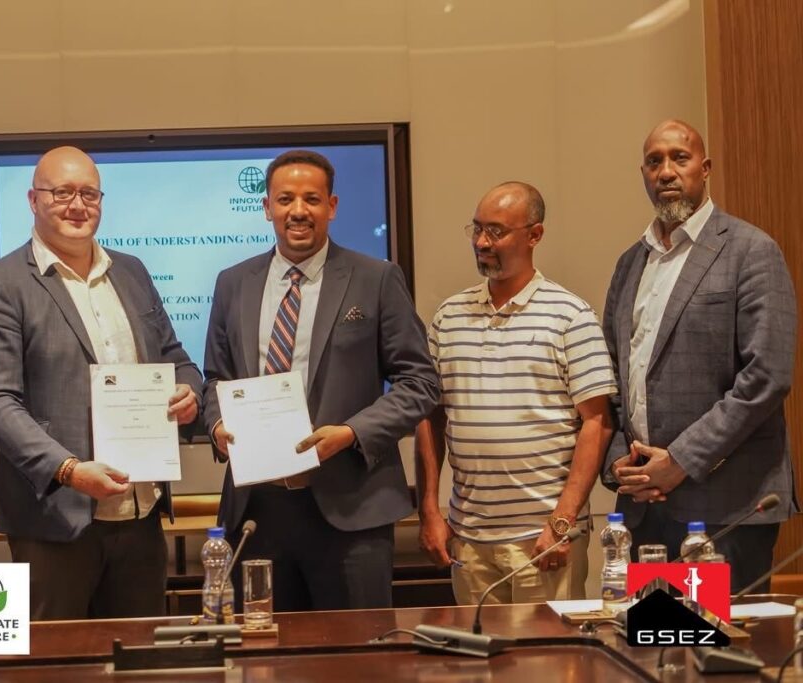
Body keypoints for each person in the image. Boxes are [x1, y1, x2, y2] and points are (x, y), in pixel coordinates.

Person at [0, 146, 202, 620]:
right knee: (57, 657)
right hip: (53, 520)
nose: (77, 205)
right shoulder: (0, 283)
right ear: (33, 199)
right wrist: (68, 470)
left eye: (89, 194)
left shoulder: (131, 272)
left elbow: (176, 359)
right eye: (62, 193)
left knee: (139, 655)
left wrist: (189, 391)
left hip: (141, 514)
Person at [203, 149, 439, 611]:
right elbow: (216, 378)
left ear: (331, 206)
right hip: (257, 510)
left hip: (352, 509)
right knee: (263, 648)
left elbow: (420, 382)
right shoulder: (233, 283)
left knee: (357, 647)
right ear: (266, 207)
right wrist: (215, 425)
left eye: (311, 199)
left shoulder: (376, 278)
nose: (298, 210)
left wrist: (352, 433)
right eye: (285, 199)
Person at [602, 120, 797, 592]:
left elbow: (766, 376)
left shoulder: (751, 250)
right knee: (657, 636)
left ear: (705, 168)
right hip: (645, 509)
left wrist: (681, 460)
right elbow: (612, 378)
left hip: (725, 509)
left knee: (717, 639)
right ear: (643, 174)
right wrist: (621, 464)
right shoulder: (630, 263)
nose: (666, 171)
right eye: (654, 161)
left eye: (680, 158)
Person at [415, 183, 615, 605]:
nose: (481, 242)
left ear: (534, 235)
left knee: (549, 650)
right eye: (477, 229)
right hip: (468, 540)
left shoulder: (571, 316)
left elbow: (597, 423)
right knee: (478, 651)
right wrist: (429, 511)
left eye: (496, 231)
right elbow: (429, 417)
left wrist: (562, 522)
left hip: (544, 541)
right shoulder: (448, 317)